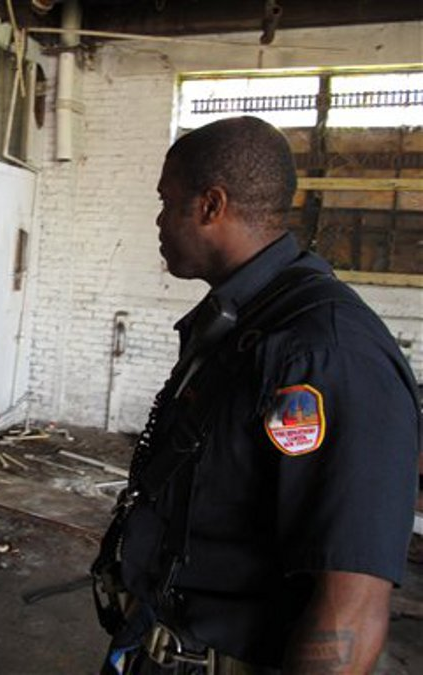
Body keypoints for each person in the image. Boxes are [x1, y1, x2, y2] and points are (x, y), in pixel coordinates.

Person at [93, 116, 420, 675]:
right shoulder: (244, 323)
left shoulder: (322, 353)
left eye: (167, 201)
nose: (158, 219)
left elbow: (352, 608)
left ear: (211, 206)